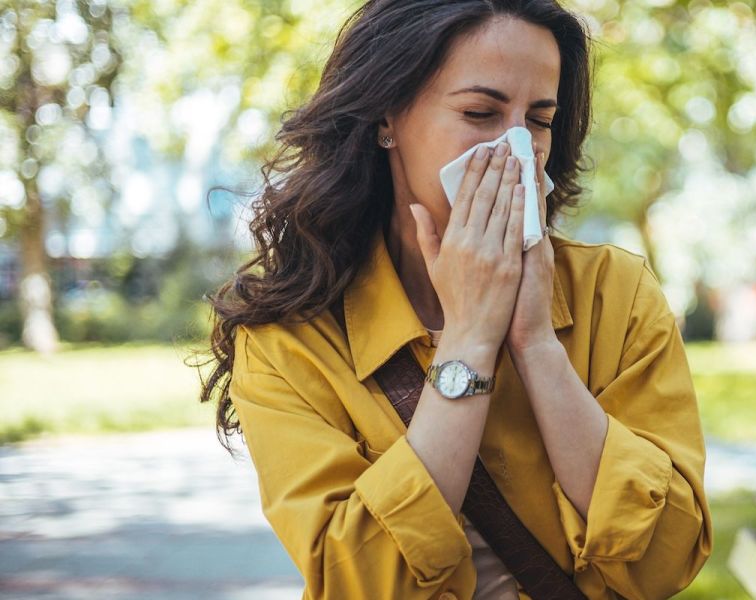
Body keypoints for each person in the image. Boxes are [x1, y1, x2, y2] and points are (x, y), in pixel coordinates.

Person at [199, 1, 712, 598]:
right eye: (480, 112)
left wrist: (535, 343)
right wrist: (468, 340)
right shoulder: (289, 340)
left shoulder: (616, 294)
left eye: (539, 120)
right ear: (386, 117)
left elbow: (666, 560)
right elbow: (359, 583)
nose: (519, 148)